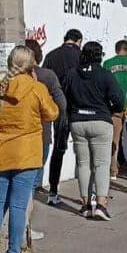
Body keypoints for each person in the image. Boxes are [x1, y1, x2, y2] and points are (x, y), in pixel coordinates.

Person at [0, 46, 58, 253]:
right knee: (19, 207)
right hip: (27, 156)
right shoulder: (36, 88)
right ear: (31, 66)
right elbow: (52, 113)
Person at [63, 41, 126, 220]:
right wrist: (113, 109)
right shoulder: (104, 74)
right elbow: (119, 99)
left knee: (83, 164)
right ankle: (100, 204)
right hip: (100, 121)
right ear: (99, 55)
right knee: (101, 164)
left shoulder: (72, 74)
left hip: (77, 121)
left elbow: (64, 96)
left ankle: (84, 204)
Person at [24, 39, 65, 243]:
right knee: (31, 185)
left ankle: (21, 228)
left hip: (17, 138)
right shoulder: (47, 77)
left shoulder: (9, 79)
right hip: (41, 134)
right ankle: (26, 230)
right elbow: (61, 104)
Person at [42, 29, 82, 206]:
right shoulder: (80, 56)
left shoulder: (51, 56)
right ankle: (87, 195)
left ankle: (53, 190)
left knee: (58, 150)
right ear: (78, 41)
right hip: (78, 107)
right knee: (84, 152)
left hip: (57, 107)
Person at [103, 40, 127, 180]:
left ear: (116, 49)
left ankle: (113, 170)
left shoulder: (107, 63)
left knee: (114, 140)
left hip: (114, 105)